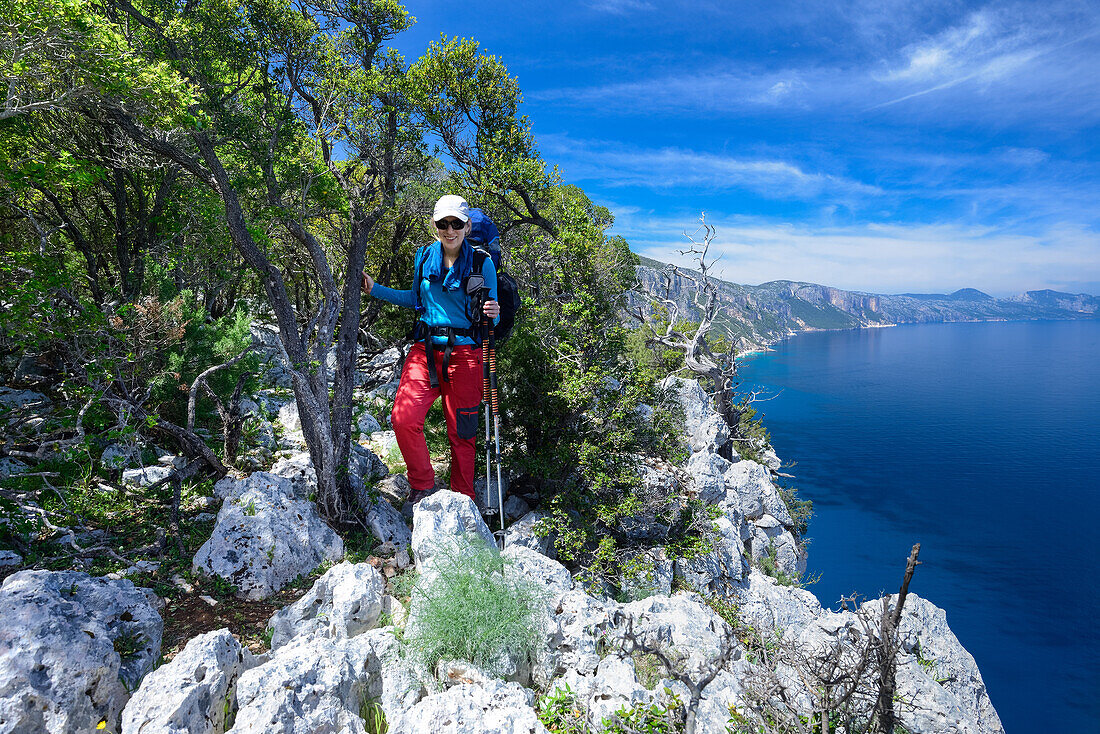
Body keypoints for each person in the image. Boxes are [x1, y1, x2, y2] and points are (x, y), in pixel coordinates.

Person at [361, 195, 500, 503]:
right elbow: (414, 298)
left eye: (456, 224)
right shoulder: (424, 257)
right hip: (425, 351)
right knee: (403, 418)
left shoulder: (482, 263)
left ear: (467, 226)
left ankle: (463, 501)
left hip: (466, 355)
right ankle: (423, 486)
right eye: (443, 224)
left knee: (462, 434)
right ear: (435, 225)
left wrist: (494, 311)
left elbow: (494, 312)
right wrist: (375, 289)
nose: (449, 230)